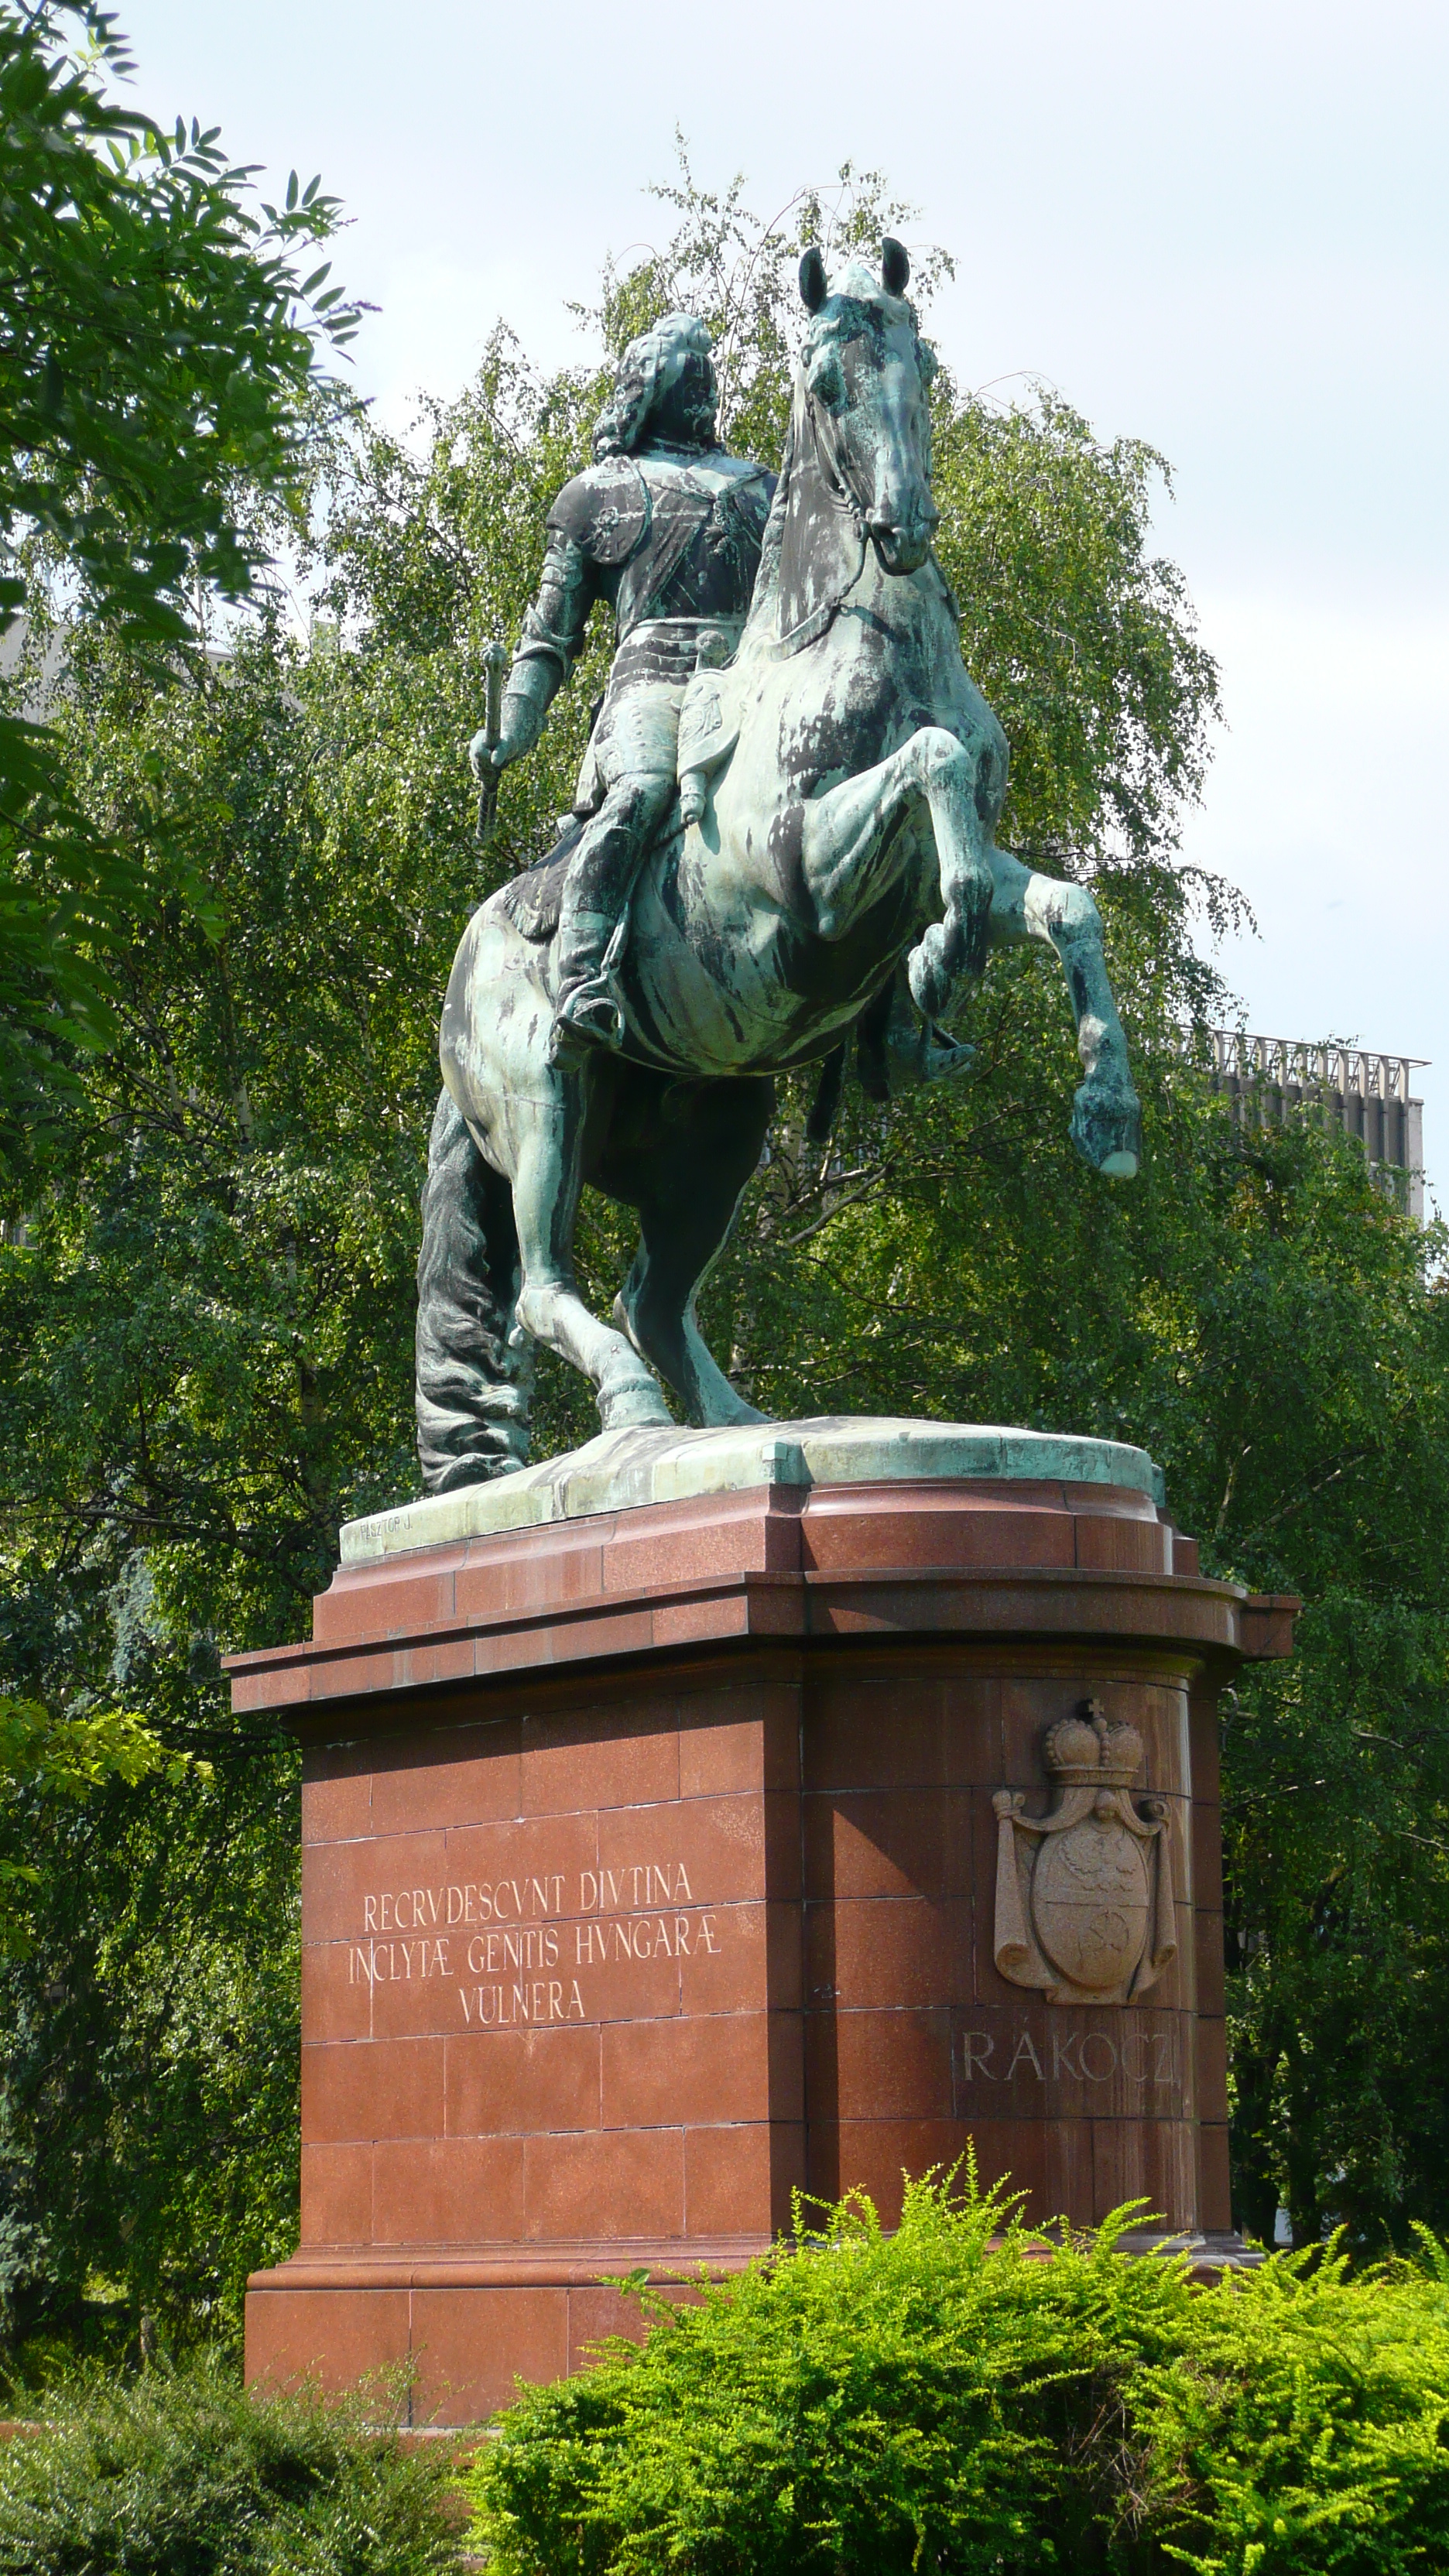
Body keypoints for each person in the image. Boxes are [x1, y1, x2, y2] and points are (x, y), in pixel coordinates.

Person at [471, 313, 774, 1065]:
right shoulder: (596, 496)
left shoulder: (760, 490)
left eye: (709, 363)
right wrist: (511, 731)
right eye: (686, 364)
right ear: (647, 386)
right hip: (650, 687)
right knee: (640, 791)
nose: (705, 376)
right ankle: (580, 971)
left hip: (752, 685)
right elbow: (546, 641)